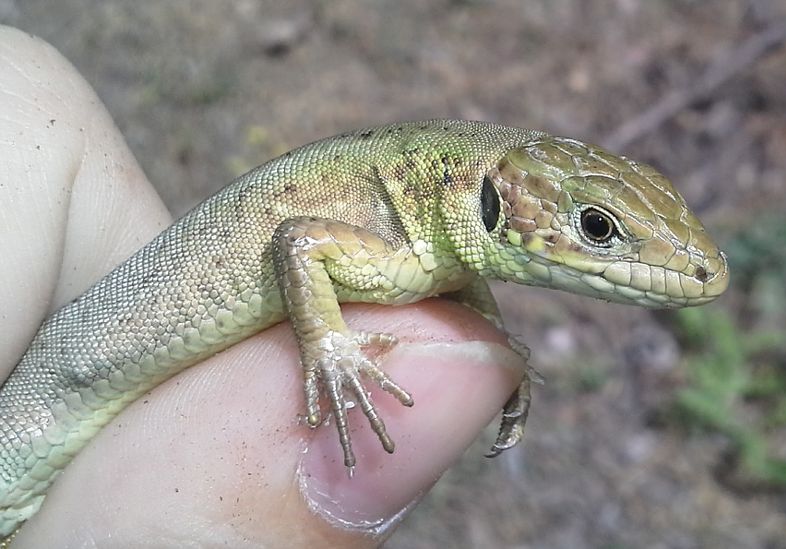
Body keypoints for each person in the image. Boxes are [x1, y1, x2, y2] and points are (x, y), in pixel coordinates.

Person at [0, 25, 525, 547]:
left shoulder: (442, 251)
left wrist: (498, 342)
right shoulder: (402, 246)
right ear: (494, 202)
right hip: (26, 431)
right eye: (595, 230)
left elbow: (457, 278)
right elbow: (300, 243)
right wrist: (329, 348)